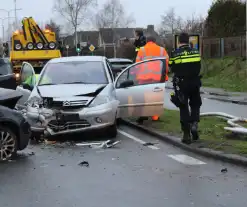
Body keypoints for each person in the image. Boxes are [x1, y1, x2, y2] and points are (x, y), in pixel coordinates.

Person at [169, 32, 202, 144]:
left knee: (183, 106)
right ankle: (194, 125)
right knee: (195, 104)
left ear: (179, 42)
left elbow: (171, 67)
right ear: (188, 41)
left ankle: (186, 134)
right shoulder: (196, 52)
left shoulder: (175, 53)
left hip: (182, 83)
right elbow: (199, 66)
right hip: (195, 82)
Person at [134, 35, 169, 123]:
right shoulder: (161, 50)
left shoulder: (141, 50)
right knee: (156, 97)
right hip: (158, 78)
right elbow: (166, 63)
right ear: (155, 41)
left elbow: (137, 64)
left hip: (144, 78)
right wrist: (165, 73)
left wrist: (137, 76)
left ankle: (143, 115)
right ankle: (155, 117)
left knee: (143, 97)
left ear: (146, 41)